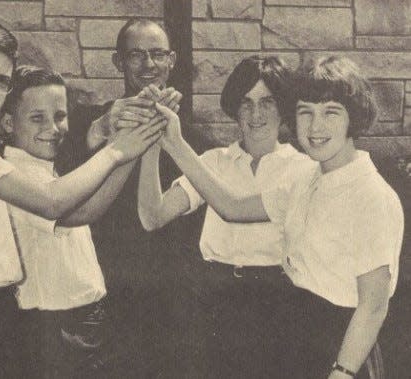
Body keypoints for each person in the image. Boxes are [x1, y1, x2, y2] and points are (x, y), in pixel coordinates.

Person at [0, 18, 163, 379]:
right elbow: (52, 202)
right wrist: (118, 151)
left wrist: (123, 146)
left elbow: (75, 206)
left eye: (2, 81)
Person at [151, 56, 403, 379]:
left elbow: (373, 306)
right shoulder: (304, 181)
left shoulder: (372, 196)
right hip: (296, 341)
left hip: (344, 350)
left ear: (354, 117)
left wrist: (342, 372)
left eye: (330, 112)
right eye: (305, 112)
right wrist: (174, 142)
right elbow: (230, 206)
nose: (315, 127)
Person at [138, 55, 315, 377]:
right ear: (234, 108)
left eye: (267, 102)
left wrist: (176, 144)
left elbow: (232, 208)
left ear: (284, 108)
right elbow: (153, 216)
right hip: (215, 303)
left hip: (279, 303)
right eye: (246, 103)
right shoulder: (214, 161)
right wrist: (151, 142)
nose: (256, 114)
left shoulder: (304, 170)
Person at [54, 18, 183, 376]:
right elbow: (58, 182)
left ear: (172, 60)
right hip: (103, 291)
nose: (149, 65)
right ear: (118, 62)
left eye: (158, 54)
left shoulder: (189, 135)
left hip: (166, 296)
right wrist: (101, 129)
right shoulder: (88, 123)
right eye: (136, 55)